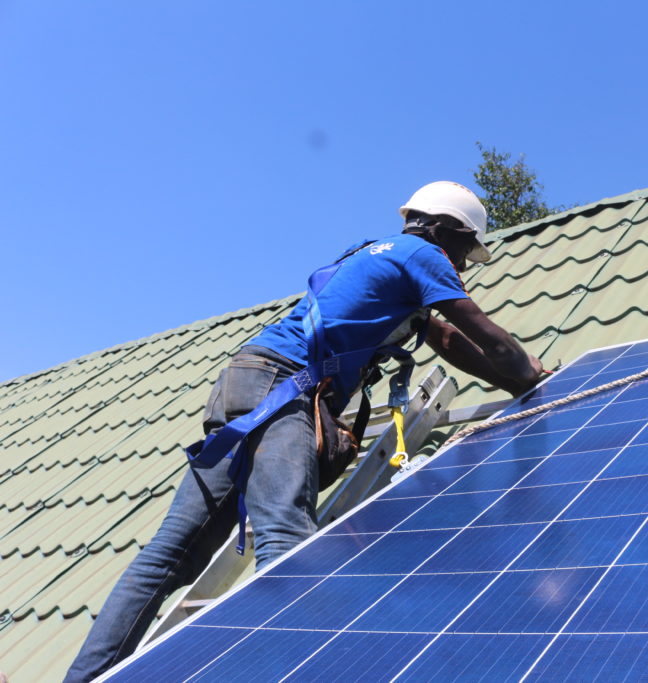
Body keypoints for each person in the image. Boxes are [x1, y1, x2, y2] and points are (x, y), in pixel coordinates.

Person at [65, 181, 544, 681]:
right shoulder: (423, 254)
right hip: (283, 387)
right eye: (467, 250)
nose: (464, 267)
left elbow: (449, 340)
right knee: (287, 536)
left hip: (244, 382)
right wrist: (530, 376)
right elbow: (482, 332)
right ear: (445, 230)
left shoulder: (373, 255)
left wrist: (511, 386)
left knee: (170, 555)